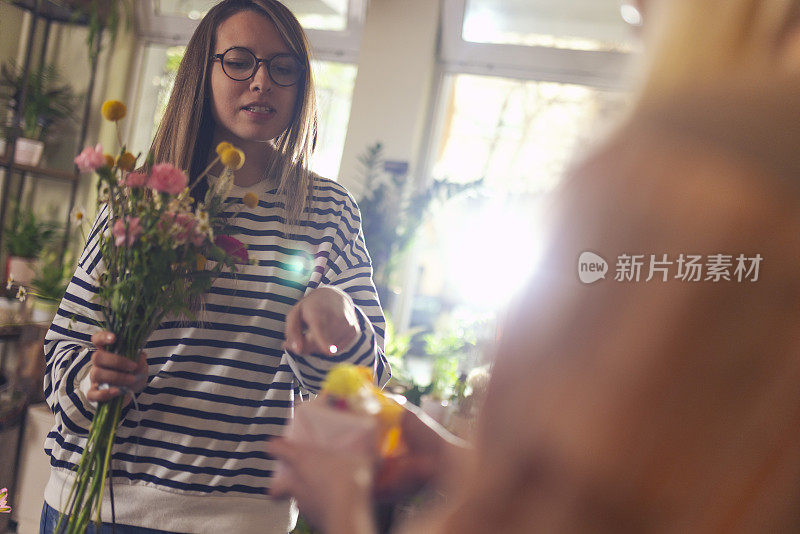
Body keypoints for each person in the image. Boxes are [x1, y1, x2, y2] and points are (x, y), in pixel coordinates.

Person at [268, 0, 800, 532]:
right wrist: (459, 461)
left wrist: (341, 505)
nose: (631, 8)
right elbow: (657, 490)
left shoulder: (680, 181)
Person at [41, 1, 390, 533]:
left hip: (238, 518)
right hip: (97, 506)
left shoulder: (328, 211)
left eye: (282, 67)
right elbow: (61, 352)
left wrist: (338, 324)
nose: (261, 81)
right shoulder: (143, 198)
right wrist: (94, 379)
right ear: (201, 72)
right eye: (239, 61)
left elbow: (364, 390)